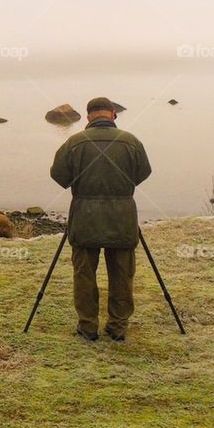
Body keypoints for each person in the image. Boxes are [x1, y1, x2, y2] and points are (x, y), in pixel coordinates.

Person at [50, 97, 151, 342]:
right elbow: (143, 172)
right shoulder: (131, 142)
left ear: (88, 116)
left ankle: (87, 326)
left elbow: (59, 175)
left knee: (84, 274)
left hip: (84, 217)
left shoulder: (74, 143)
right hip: (122, 218)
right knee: (122, 275)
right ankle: (117, 327)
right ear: (113, 115)